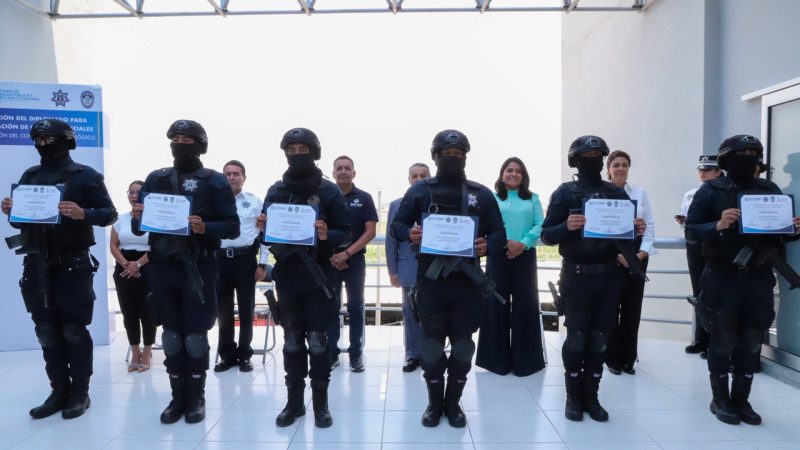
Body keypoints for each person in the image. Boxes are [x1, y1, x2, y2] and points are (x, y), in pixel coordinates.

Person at [2, 119, 117, 419]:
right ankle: (58, 390)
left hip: (72, 263)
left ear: (66, 140)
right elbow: (20, 221)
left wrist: (83, 213)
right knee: (46, 331)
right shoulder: (31, 174)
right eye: (37, 140)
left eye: (48, 139)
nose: (42, 145)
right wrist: (11, 211)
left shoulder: (85, 176)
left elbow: (109, 213)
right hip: (37, 262)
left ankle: (80, 391)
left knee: (73, 331)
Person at [391, 129, 506, 428]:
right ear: (435, 156)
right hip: (430, 282)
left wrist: (486, 245)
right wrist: (410, 233)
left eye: (458, 154)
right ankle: (433, 403)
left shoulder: (480, 193)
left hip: (467, 283)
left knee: (463, 346)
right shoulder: (419, 190)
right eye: (446, 154)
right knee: (429, 346)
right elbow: (398, 225)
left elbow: (498, 233)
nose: (452, 158)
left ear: (466, 156)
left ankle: (453, 403)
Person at [686, 135, 800, 426]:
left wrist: (792, 228)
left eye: (753, 152)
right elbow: (691, 230)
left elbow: (775, 236)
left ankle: (742, 400)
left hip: (758, 278)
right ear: (726, 158)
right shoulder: (711, 190)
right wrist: (719, 224)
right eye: (742, 153)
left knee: (751, 341)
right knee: (722, 340)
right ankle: (720, 398)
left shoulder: (769, 189)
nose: (749, 157)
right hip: (722, 277)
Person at [132, 119, 240, 424]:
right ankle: (176, 396)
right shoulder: (156, 178)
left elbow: (232, 227)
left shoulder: (215, 181)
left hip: (199, 266)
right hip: (163, 267)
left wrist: (205, 226)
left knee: (194, 335)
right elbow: (137, 227)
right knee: (171, 335)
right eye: (175, 138)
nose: (179, 143)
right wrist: (139, 217)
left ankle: (196, 397)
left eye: (186, 139)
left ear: (200, 144)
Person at [541, 135, 645, 423]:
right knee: (576, 339)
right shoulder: (564, 192)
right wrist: (566, 225)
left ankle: (592, 396)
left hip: (608, 276)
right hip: (575, 277)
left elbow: (629, 236)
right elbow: (547, 235)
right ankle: (573, 398)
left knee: (600, 339)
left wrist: (636, 228)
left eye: (598, 155)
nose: (593, 160)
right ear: (575, 160)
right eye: (586, 156)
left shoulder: (614, 192)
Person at [258, 127, 351, 429]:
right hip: (287, 275)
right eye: (292, 150)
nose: (297, 155)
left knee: (318, 341)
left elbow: (346, 231)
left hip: (319, 274)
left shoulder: (328, 191)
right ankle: (294, 403)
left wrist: (328, 234)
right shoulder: (276, 190)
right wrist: (263, 227)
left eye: (303, 150)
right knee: (292, 341)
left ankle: (321, 405)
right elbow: (266, 231)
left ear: (314, 153)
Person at [476, 157, 546, 377]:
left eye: (518, 171)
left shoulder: (533, 199)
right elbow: (487, 225)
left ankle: (526, 363)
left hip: (525, 256)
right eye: (509, 170)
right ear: (502, 174)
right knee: (495, 306)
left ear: (523, 176)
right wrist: (506, 243)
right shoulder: (492, 199)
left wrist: (522, 243)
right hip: (498, 255)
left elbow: (540, 225)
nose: (513, 174)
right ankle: (495, 361)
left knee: (526, 306)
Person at [214, 160, 272, 373]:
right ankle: (226, 356)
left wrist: (262, 263)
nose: (231, 177)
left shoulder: (254, 201)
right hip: (220, 260)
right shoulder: (214, 202)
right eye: (227, 173)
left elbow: (265, 234)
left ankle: (245, 355)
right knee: (224, 312)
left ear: (244, 177)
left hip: (245, 260)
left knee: (247, 311)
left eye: (236, 173)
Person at [604, 150, 656, 375]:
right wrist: (617, 255)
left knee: (632, 310)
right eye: (616, 165)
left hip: (638, 258)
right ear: (608, 169)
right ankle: (612, 359)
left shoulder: (640, 192)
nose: (620, 168)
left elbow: (650, 225)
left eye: (624, 165)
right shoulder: (602, 193)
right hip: (611, 257)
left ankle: (628, 359)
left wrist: (641, 254)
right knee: (611, 309)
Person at [326, 155, 378, 372]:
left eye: (348, 168)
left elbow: (371, 231)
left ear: (354, 173)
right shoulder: (325, 197)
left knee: (356, 307)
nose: (344, 171)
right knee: (330, 307)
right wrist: (334, 255)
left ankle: (356, 354)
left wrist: (347, 253)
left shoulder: (364, 198)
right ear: (333, 173)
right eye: (339, 168)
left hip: (355, 260)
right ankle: (332, 353)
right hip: (329, 259)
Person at [385, 162, 430, 373]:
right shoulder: (396, 205)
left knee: (432, 311)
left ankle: (431, 352)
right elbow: (391, 241)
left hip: (435, 268)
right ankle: (412, 354)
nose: (419, 179)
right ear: (409, 179)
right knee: (410, 312)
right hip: (407, 267)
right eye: (415, 176)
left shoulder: (437, 202)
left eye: (423, 176)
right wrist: (393, 271)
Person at [678, 155, 721, 359]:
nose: (703, 173)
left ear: (718, 172)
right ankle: (700, 339)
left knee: (715, 291)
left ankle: (714, 341)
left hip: (714, 244)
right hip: (694, 245)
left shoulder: (724, 192)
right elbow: (690, 222)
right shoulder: (690, 194)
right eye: (701, 170)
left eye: (708, 169)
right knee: (699, 292)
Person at [110, 180, 155, 373]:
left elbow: (156, 247)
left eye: (139, 192)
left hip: (148, 266)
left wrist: (137, 264)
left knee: (147, 312)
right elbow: (113, 245)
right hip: (123, 267)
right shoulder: (120, 219)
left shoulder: (154, 219)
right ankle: (135, 351)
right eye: (131, 192)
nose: (134, 196)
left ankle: (147, 351)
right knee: (129, 313)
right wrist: (127, 265)